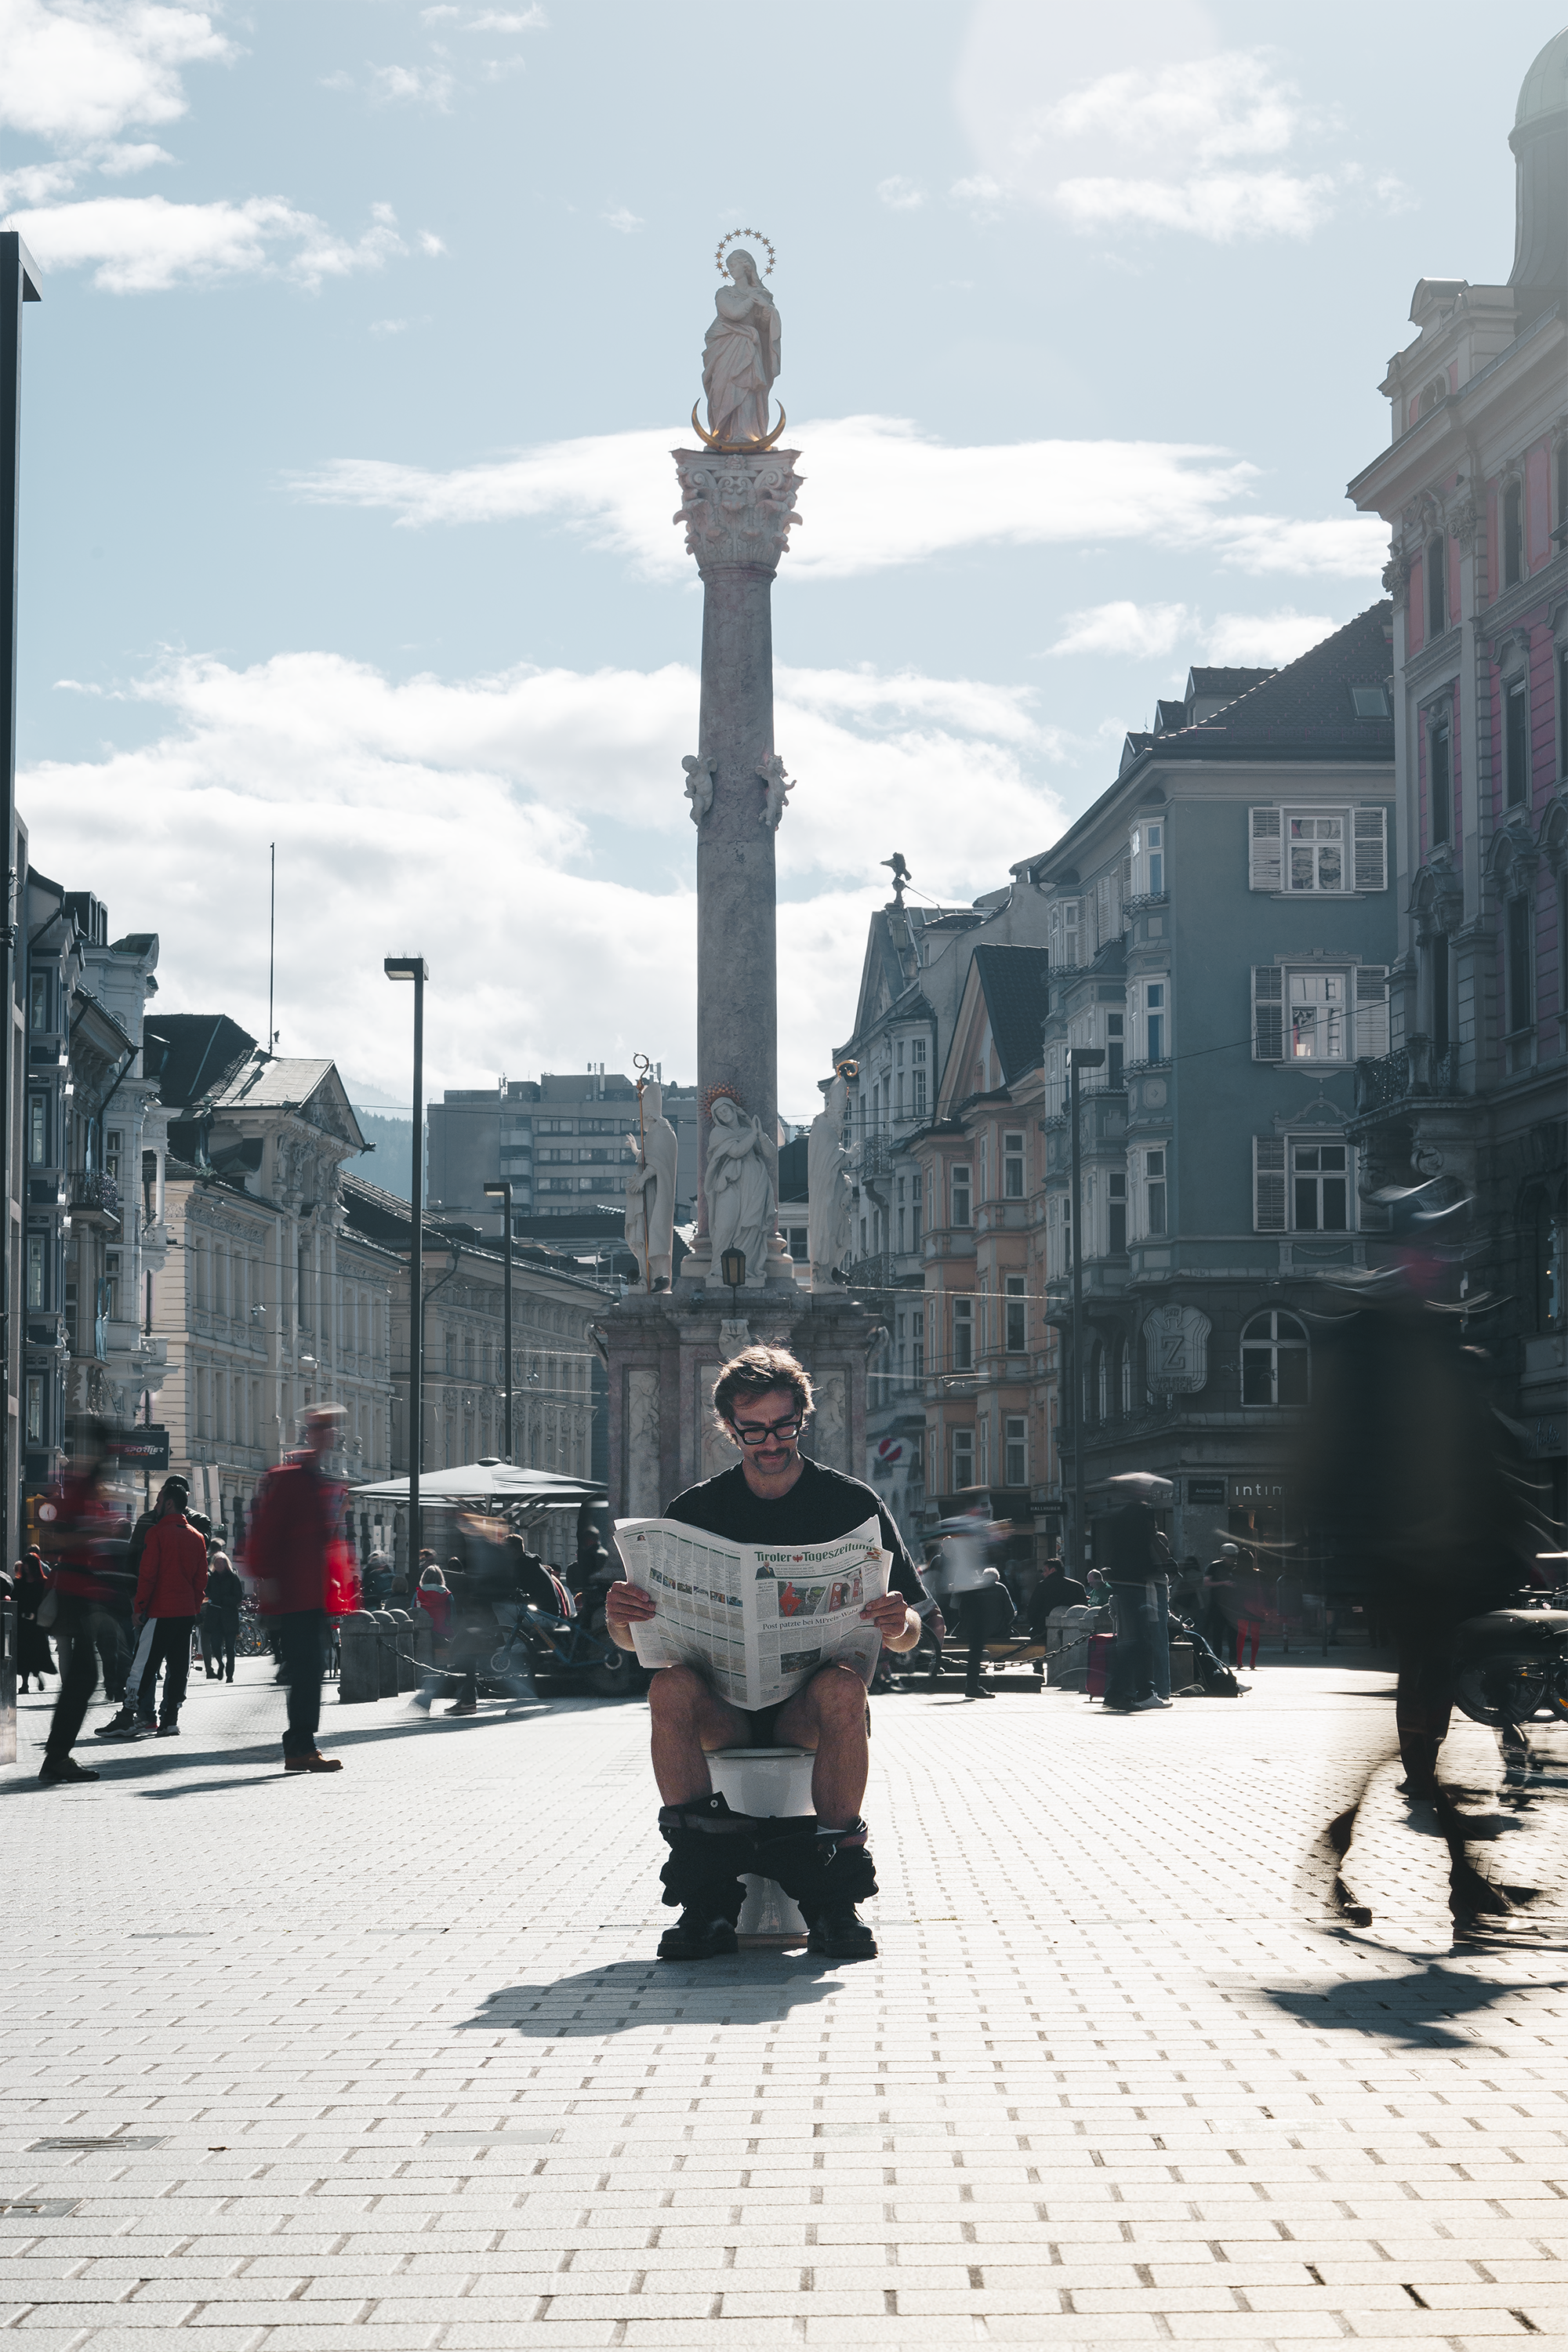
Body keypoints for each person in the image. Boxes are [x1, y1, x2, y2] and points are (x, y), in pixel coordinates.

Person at [606, 1345, 930, 1965]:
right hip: (720, 1702)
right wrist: (622, 1619)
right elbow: (636, 1644)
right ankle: (706, 1900)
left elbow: (911, 1629)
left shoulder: (851, 1505)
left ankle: (836, 1900)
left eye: (783, 1426)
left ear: (803, 1419)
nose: (770, 1442)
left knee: (842, 1687)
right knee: (667, 1687)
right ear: (729, 1429)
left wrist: (899, 1621)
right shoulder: (696, 1511)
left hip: (805, 1704)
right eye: (752, 1430)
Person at [245, 1404, 348, 1772]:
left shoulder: (317, 1480)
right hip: (292, 1596)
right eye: (322, 1430)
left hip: (311, 1595)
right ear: (311, 1434)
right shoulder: (289, 1478)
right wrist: (268, 1579)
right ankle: (300, 1747)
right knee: (305, 1672)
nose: (329, 1436)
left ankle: (302, 1745)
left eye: (332, 1431)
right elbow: (264, 1534)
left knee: (310, 1672)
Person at [38, 1431, 136, 1784]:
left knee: (82, 1679)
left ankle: (57, 1757)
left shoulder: (89, 1488)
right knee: (83, 1678)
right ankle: (56, 1758)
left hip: (84, 1592)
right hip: (74, 1592)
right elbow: (57, 1538)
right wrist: (95, 1531)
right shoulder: (80, 1486)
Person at [130, 1479, 209, 1737]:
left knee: (145, 1666)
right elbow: (201, 1579)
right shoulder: (198, 1537)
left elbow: (147, 1574)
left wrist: (139, 1607)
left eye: (159, 1500)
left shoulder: (156, 1533)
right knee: (178, 1668)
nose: (155, 1505)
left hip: (160, 1611)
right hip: (186, 1612)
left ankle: (129, 1715)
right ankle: (170, 1720)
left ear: (169, 1503)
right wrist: (194, 1605)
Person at [1102, 1481, 1173, 1714]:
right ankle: (1129, 1692)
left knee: (1137, 1640)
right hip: (1136, 1581)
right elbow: (1150, 1544)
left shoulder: (1116, 1515)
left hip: (1122, 1580)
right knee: (1139, 1641)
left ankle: (1136, 1691)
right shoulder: (1143, 1512)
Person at [957, 1565, 1015, 1699]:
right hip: (996, 1630)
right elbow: (1010, 1613)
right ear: (996, 1578)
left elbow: (961, 1613)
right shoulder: (1000, 1588)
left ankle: (972, 1686)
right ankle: (973, 1687)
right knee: (975, 1656)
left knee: (974, 1655)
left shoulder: (972, 1588)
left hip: (972, 1630)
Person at [16, 1550, 54, 1693]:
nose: (26, 1567)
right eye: (24, 1564)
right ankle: (25, 1684)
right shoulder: (19, 1583)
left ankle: (37, 1675)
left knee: (36, 1652)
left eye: (28, 1564)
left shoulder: (42, 1583)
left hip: (36, 1624)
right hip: (22, 1623)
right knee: (24, 1653)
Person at [205, 1547, 243, 1682]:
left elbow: (238, 1596)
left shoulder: (233, 1577)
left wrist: (224, 1600)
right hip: (215, 1617)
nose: (219, 1565)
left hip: (229, 1617)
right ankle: (220, 1664)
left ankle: (230, 1674)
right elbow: (206, 1593)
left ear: (226, 1564)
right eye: (216, 1563)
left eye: (221, 1563)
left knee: (230, 1647)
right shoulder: (211, 1578)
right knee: (215, 1645)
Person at [416, 1563, 452, 1643]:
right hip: (443, 1634)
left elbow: (413, 1613)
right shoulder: (447, 1595)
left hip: (421, 1635)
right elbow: (453, 1616)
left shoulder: (418, 1594)